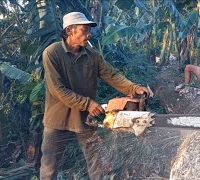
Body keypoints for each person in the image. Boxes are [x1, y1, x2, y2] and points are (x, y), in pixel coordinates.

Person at [40, 12, 149, 180]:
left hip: (85, 117)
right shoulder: (52, 53)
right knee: (49, 165)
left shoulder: (92, 55)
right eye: (84, 30)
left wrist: (135, 88)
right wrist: (88, 103)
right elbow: (57, 89)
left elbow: (112, 75)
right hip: (57, 119)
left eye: (89, 30)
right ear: (69, 31)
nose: (89, 34)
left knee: (95, 161)